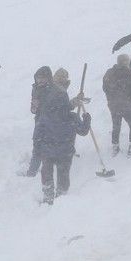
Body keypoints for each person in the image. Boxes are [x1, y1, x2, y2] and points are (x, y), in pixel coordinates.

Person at [35, 69, 91, 203]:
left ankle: (48, 196)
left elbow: (38, 131)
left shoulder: (46, 116)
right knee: (63, 174)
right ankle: (62, 197)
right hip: (65, 151)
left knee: (47, 172)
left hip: (48, 149)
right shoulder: (72, 117)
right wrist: (87, 118)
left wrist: (38, 147)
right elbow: (83, 131)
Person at [102, 54, 131, 157]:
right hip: (126, 105)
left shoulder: (109, 73)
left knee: (116, 126)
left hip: (113, 105)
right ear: (126, 62)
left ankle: (115, 147)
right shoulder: (129, 74)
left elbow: (104, 88)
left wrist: (111, 98)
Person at [25, 66, 54, 176]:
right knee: (37, 146)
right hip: (39, 122)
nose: (40, 80)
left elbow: (61, 106)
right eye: (38, 78)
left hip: (52, 124)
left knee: (49, 148)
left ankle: (48, 173)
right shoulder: (35, 88)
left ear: (48, 78)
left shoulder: (53, 90)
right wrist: (34, 106)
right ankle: (32, 171)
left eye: (42, 78)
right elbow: (33, 110)